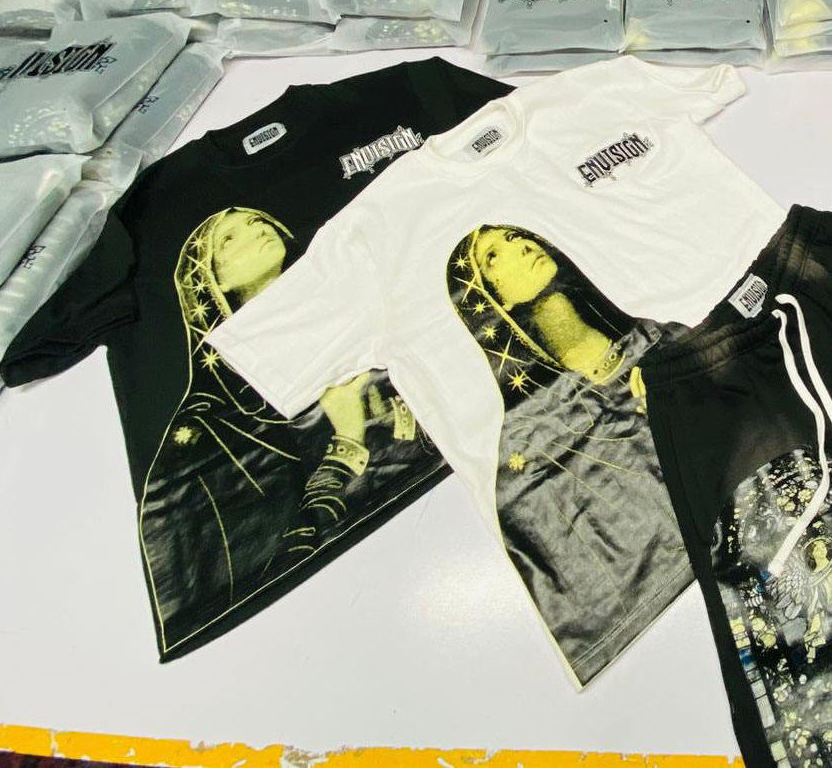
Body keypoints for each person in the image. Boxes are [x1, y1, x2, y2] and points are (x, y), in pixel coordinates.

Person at [139, 207, 430, 651]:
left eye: (255, 221)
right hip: (346, 590)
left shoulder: (352, 305)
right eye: (229, 240)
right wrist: (348, 439)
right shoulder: (222, 415)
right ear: (216, 284)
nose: (256, 228)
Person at [445, 224, 690, 683]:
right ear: (492, 301)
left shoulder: (658, 336)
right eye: (494, 256)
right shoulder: (528, 446)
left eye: (516, 237)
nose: (522, 246)